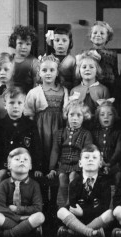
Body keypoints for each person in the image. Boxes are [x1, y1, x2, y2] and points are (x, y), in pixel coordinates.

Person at [24, 55, 69, 209]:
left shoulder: (63, 90)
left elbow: (66, 111)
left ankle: (54, 201)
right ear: (39, 73)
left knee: (55, 157)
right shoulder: (35, 92)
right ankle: (42, 199)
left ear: (57, 72)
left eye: (52, 70)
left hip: (58, 129)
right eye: (44, 70)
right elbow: (29, 112)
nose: (48, 73)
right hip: (40, 131)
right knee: (41, 156)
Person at [0, 148, 45, 237]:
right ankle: (27, 231)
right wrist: (18, 218)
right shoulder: (4, 184)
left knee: (40, 216)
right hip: (10, 218)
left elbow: (38, 208)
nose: (21, 161)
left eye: (25, 159)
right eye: (17, 159)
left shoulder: (34, 185)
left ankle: (5, 234)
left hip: (27, 218)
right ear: (9, 165)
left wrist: (18, 209)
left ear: (30, 166)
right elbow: (0, 208)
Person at [56, 144, 114, 237]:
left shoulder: (104, 183)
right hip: (78, 221)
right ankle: (90, 233)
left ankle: (76, 233)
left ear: (100, 163)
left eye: (94, 158)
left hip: (96, 221)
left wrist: (84, 212)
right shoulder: (74, 183)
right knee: (61, 211)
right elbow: (73, 208)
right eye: (86, 157)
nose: (90, 160)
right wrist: (84, 213)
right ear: (80, 163)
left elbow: (104, 208)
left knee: (110, 213)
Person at [0, 87, 42, 190]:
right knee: (1, 175)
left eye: (19, 103)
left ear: (24, 105)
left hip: (25, 163)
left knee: (30, 179)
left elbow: (36, 147)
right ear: (5, 105)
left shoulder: (30, 124)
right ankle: (0, 203)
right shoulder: (0, 125)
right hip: (6, 163)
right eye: (12, 103)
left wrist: (37, 168)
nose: (15, 106)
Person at [49, 100, 93, 207]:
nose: (74, 118)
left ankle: (71, 201)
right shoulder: (60, 133)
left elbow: (87, 151)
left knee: (73, 176)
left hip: (78, 164)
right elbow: (55, 150)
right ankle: (65, 203)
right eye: (71, 115)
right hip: (63, 164)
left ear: (84, 117)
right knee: (62, 177)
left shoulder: (86, 134)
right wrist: (52, 168)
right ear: (66, 115)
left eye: (79, 115)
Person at [85, 21, 118, 89]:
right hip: (91, 87)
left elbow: (115, 74)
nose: (98, 35)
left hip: (109, 87)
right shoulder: (85, 54)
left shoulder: (112, 54)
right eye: (95, 33)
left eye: (102, 33)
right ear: (90, 36)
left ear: (108, 37)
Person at [9, 25, 40, 93]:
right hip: (9, 98)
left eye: (27, 44)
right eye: (20, 43)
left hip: (26, 98)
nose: (24, 47)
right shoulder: (8, 59)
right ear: (14, 43)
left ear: (32, 45)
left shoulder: (34, 62)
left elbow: (36, 85)